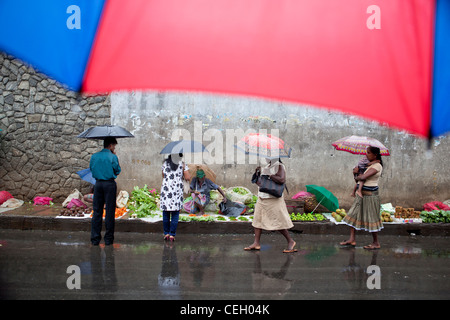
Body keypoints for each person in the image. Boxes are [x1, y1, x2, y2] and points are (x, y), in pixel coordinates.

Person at [245, 158, 297, 253]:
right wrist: (257, 174)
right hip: (262, 197)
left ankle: (291, 241)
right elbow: (262, 183)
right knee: (257, 220)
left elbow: (281, 180)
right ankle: (256, 243)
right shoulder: (268, 166)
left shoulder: (279, 166)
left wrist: (268, 173)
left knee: (277, 222)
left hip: (272, 199)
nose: (266, 157)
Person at [340, 146, 384, 250]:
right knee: (353, 215)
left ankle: (376, 242)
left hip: (371, 196)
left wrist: (359, 174)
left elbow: (363, 177)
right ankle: (352, 239)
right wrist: (355, 173)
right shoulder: (368, 166)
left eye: (369, 153)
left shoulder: (377, 166)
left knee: (372, 218)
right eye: (366, 152)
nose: (366, 155)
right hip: (361, 195)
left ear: (375, 155)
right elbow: (358, 180)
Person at [89, 137, 121, 246]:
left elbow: (92, 170)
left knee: (97, 211)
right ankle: (108, 239)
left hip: (98, 184)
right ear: (111, 145)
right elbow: (117, 170)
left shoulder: (94, 156)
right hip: (109, 185)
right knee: (109, 212)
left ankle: (95, 238)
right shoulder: (113, 157)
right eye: (114, 146)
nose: (114, 148)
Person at [160, 153, 191, 242]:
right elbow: (188, 177)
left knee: (166, 213)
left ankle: (166, 233)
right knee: (175, 213)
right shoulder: (182, 164)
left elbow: (163, 175)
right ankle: (172, 235)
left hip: (166, 190)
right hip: (176, 191)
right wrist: (186, 171)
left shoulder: (165, 163)